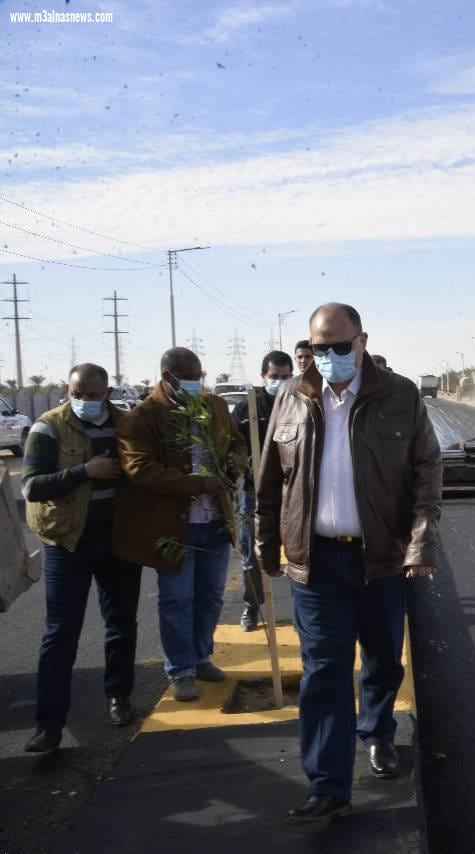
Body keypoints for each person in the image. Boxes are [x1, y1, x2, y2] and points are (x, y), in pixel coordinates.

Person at [257, 302, 442, 826]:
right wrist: (265, 544)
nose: (332, 357)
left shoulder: (399, 394)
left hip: (379, 559)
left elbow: (427, 473)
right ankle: (328, 786)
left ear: (363, 341)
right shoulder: (292, 397)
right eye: (321, 349)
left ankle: (378, 731)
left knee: (382, 659)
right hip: (315, 562)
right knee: (324, 671)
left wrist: (421, 543)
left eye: (341, 346)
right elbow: (271, 479)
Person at [21, 364, 141, 753]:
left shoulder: (127, 423)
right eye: (79, 393)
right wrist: (84, 471)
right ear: (68, 390)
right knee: (61, 633)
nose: (87, 401)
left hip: (118, 541)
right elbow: (32, 487)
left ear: (108, 392)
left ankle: (119, 697)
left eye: (94, 394)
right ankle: (49, 725)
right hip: (67, 542)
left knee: (121, 624)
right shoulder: (48, 427)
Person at [115, 348, 243, 703]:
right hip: (175, 526)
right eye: (188, 376)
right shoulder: (142, 417)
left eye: (199, 375)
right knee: (177, 600)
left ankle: (201, 657)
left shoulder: (215, 407)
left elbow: (236, 444)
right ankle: (181, 669)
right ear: (167, 377)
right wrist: (200, 484)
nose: (195, 382)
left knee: (211, 596)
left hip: (215, 520)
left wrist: (233, 468)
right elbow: (140, 469)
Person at [231, 350, 293, 631]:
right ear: (262, 377)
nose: (278, 382)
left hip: (292, 495)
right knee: (251, 557)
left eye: (284, 377)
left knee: (299, 555)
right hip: (253, 495)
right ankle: (251, 608)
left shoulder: (298, 405)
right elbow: (232, 448)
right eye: (273, 377)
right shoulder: (248, 408)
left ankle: (302, 612)